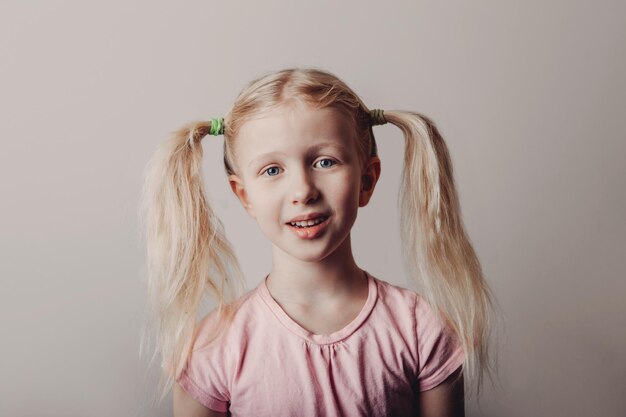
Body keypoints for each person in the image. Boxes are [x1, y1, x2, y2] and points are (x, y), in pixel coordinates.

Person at [139, 67, 495, 417]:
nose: (303, 191)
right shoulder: (212, 347)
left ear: (367, 180)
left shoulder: (421, 328)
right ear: (245, 196)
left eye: (325, 162)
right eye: (273, 170)